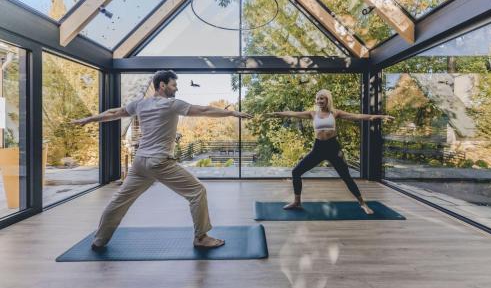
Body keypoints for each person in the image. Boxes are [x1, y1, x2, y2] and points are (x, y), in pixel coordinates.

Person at [72, 70, 252, 250]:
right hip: (159, 162)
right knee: (197, 192)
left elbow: (114, 113)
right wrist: (231, 113)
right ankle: (201, 237)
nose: (176, 88)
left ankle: (100, 240)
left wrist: (89, 119)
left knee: (119, 201)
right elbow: (204, 110)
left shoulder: (140, 104)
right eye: (173, 85)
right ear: (162, 85)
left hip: (140, 162)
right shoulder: (172, 105)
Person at [264, 89, 394, 214]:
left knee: (346, 177)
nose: (319, 101)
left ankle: (362, 204)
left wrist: (381, 116)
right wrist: (275, 113)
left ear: (327, 100)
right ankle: (297, 201)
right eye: (318, 99)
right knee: (296, 172)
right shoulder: (312, 114)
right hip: (318, 148)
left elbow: (358, 116)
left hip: (333, 148)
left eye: (322, 98)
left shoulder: (335, 113)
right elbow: (292, 113)